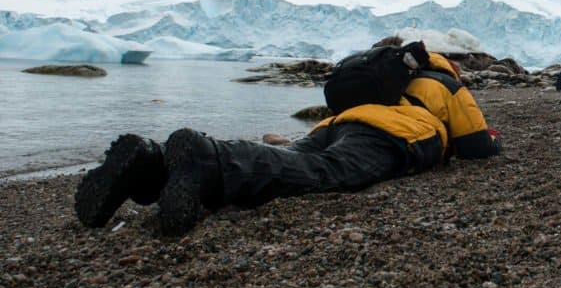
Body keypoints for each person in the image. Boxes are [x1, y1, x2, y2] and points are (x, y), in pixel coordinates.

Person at [75, 41, 502, 234]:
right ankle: (205, 159)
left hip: (333, 124)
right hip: (393, 135)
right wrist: (493, 141)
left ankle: (152, 166)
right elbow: (475, 146)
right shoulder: (444, 84)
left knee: (288, 159)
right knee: (323, 173)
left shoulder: (390, 77)